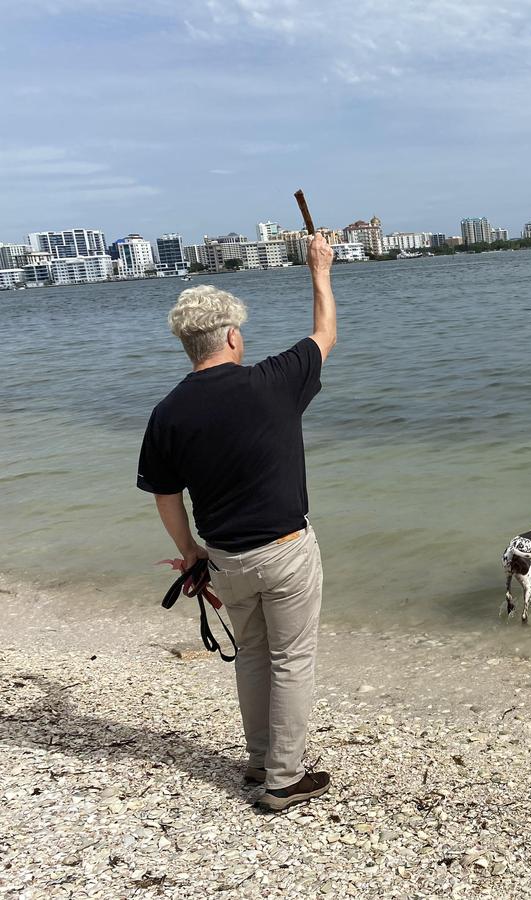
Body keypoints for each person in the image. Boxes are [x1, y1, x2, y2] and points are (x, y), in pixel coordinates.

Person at [137, 233, 337, 812]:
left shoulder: (168, 411)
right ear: (230, 336)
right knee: (292, 658)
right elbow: (324, 335)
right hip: (285, 549)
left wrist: (192, 551)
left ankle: (257, 761)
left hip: (224, 556)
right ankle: (282, 778)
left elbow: (165, 495)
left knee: (252, 654)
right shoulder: (273, 381)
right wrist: (318, 271)